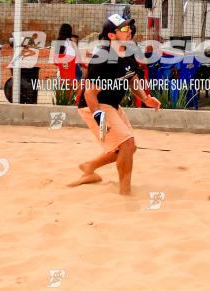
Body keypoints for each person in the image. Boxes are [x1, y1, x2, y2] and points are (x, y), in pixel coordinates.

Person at [69, 14, 161, 195]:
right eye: (124, 29)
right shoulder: (102, 58)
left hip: (111, 104)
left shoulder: (128, 53)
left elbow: (132, 78)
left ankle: (89, 167)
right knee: (127, 144)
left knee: (129, 148)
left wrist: (145, 98)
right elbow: (90, 93)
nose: (130, 32)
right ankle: (125, 193)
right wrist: (98, 116)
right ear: (111, 36)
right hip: (94, 105)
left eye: (129, 28)